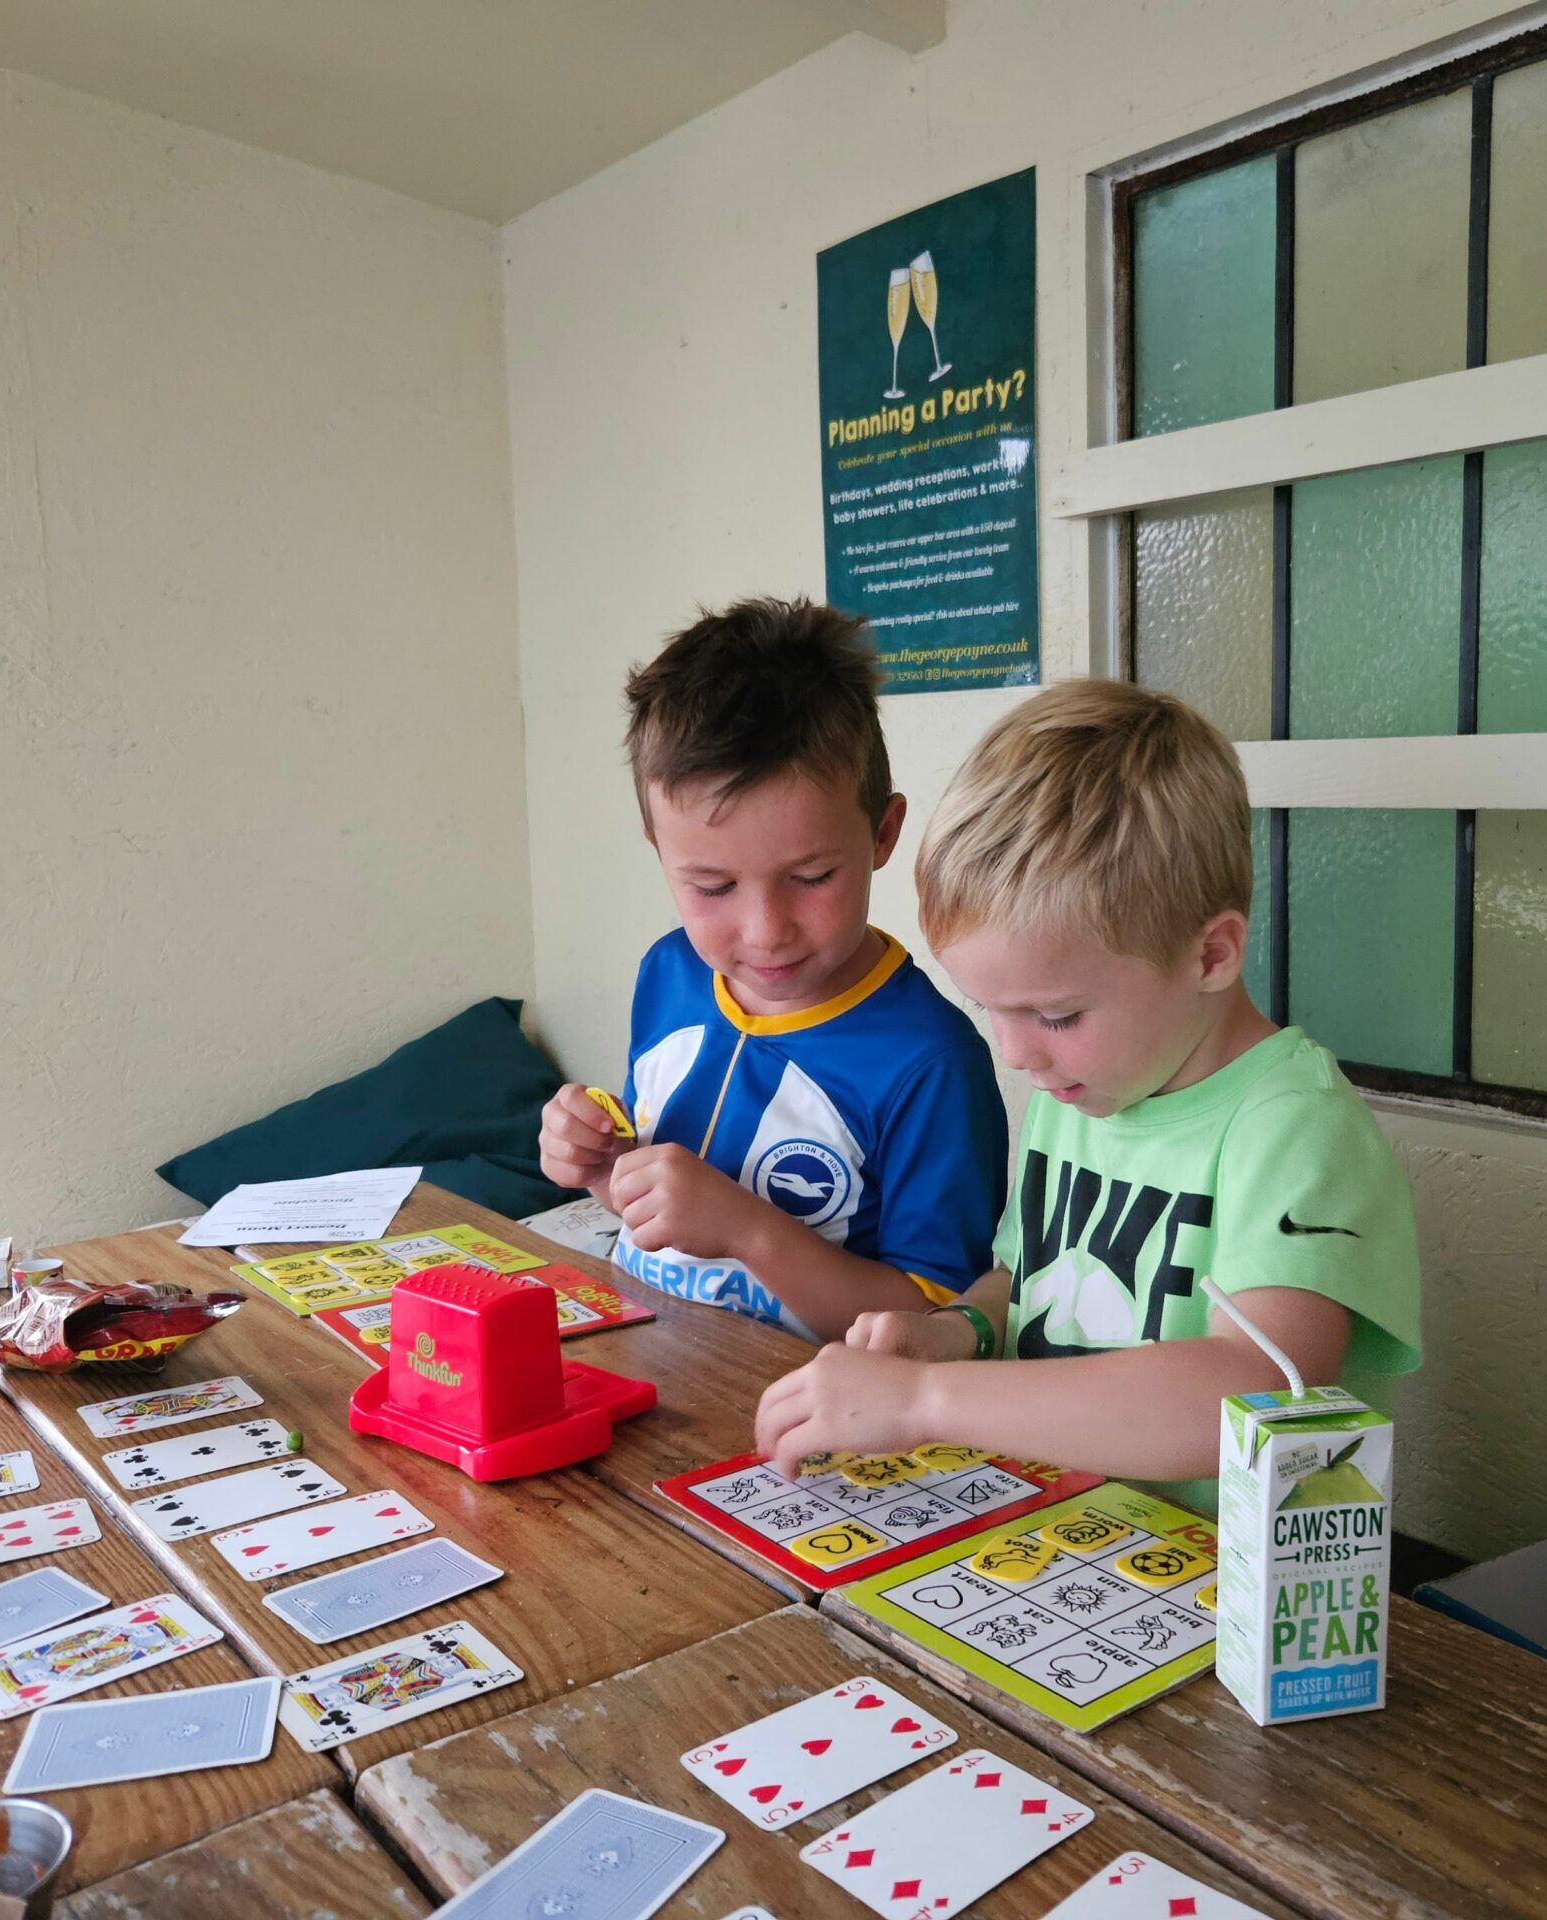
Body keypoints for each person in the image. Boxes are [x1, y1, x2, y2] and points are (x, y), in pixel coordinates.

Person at [754, 679, 1420, 1509]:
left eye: (1057, 1013)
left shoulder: (1295, 1128)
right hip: (1071, 1545)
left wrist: (925, 1404)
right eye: (988, 1009)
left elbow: (1255, 1393)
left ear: (1212, 954)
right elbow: (1026, 1283)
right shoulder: (1085, 1085)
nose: (1015, 1051)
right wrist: (953, 1334)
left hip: (1233, 1599)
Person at [537, 598, 1007, 1342]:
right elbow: (658, 1200)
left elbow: (931, 1321)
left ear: (883, 833)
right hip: (643, 1361)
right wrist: (603, 1165)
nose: (765, 932)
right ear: (657, 845)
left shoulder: (931, 1062)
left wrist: (750, 1232)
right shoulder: (668, 973)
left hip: (799, 1421)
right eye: (713, 887)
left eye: (813, 876)